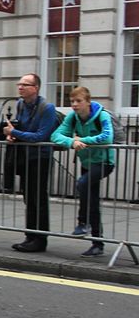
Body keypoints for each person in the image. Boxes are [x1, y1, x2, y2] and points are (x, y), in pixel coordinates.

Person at [51, 86, 115, 257]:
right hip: (87, 162)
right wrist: (72, 142)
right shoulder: (73, 117)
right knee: (92, 201)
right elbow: (55, 136)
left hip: (104, 162)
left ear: (88, 101)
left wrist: (83, 140)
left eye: (78, 101)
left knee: (82, 183)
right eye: (72, 101)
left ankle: (83, 223)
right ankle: (98, 244)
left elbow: (108, 137)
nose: (74, 105)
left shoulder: (102, 115)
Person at [3, 73, 57, 253]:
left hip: (41, 157)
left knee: (38, 198)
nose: (20, 87)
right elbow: (22, 129)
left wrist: (15, 133)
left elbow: (41, 136)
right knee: (28, 197)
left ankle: (40, 239)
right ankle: (30, 235)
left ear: (36, 88)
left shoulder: (47, 108)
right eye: (20, 84)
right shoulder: (20, 105)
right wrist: (13, 135)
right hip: (26, 156)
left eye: (25, 84)